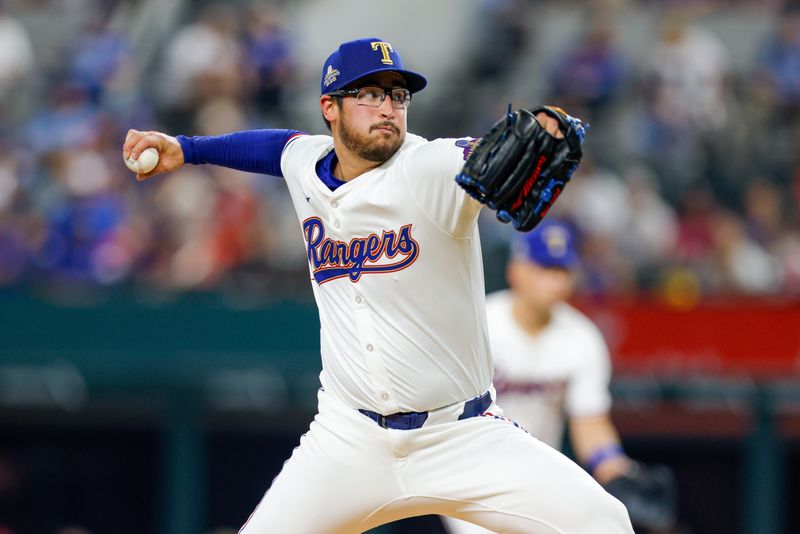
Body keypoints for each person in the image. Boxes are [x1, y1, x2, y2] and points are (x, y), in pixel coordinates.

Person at [124, 37, 633, 533]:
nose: (388, 107)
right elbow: (274, 147)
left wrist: (549, 129)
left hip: (461, 435)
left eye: (398, 95)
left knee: (603, 521)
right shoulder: (307, 165)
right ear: (331, 107)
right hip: (348, 440)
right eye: (369, 93)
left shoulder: (428, 167)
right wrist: (185, 149)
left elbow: (471, 155)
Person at [444, 219, 676, 534]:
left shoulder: (582, 338)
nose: (554, 281)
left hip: (537, 477)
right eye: (544, 268)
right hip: (470, 472)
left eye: (562, 271)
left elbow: (589, 423)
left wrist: (617, 472)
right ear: (517, 270)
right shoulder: (479, 323)